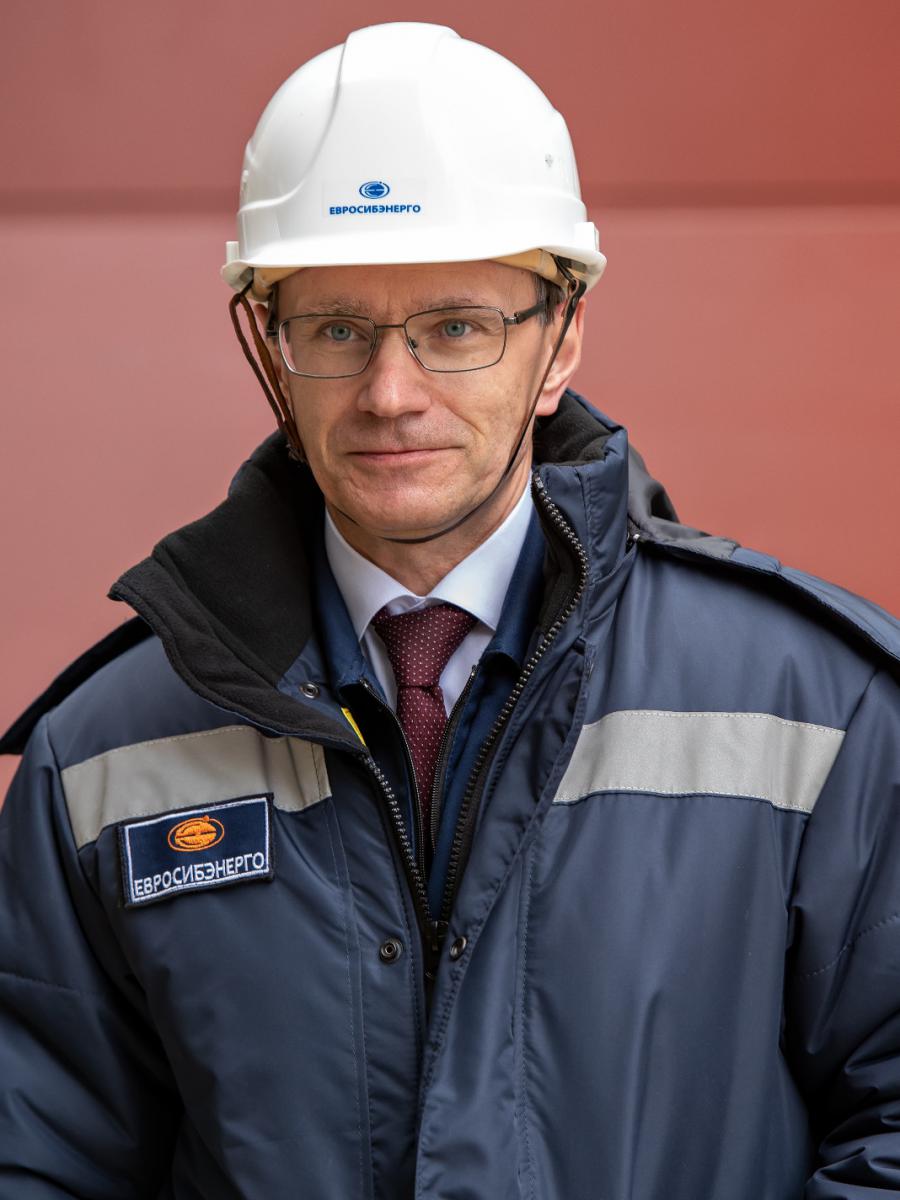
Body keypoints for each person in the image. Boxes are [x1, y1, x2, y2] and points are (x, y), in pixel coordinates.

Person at [1, 20, 898, 1199]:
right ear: (269, 345)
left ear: (561, 341)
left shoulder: (814, 708)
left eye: (457, 328)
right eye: (336, 329)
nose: (390, 392)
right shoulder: (107, 756)